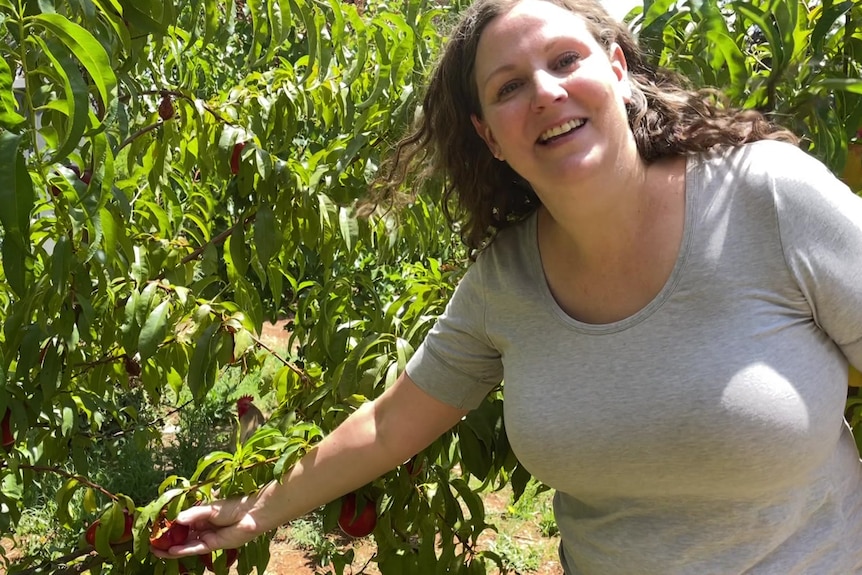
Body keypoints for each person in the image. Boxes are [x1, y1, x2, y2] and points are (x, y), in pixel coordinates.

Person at [156, 0, 862, 572]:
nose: (547, 93)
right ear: (489, 135)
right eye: (509, 87)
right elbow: (388, 423)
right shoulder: (507, 280)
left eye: (565, 60)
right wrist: (259, 509)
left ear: (618, 70)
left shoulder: (766, 196)